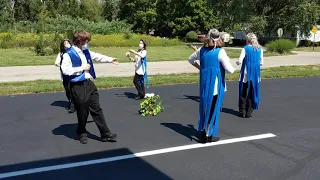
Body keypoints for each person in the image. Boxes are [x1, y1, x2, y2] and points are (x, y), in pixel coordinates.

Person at [60, 30, 119, 144]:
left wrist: (110, 59)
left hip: (89, 83)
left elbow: (96, 56)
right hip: (78, 85)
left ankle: (105, 133)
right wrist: (81, 68)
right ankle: (81, 131)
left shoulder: (85, 51)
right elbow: (65, 70)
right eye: (86, 40)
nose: (87, 42)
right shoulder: (69, 54)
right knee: (82, 111)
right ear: (79, 41)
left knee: (96, 108)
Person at [188, 29, 235, 143]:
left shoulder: (201, 50)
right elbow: (230, 70)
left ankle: (204, 131)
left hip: (204, 84)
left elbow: (190, 60)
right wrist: (234, 66)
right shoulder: (220, 52)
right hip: (215, 85)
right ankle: (209, 134)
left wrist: (200, 68)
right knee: (213, 108)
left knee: (205, 106)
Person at [236, 33, 263, 118]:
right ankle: (249, 111)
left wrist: (237, 62)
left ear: (248, 40)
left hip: (246, 72)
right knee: (252, 91)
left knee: (243, 91)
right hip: (255, 73)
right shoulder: (259, 49)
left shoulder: (245, 48)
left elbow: (240, 60)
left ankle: (242, 110)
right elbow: (261, 62)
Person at [55, 39, 75, 113]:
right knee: (68, 90)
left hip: (74, 75)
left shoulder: (74, 52)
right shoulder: (61, 54)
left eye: (67, 43)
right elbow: (57, 63)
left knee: (74, 90)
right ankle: (70, 101)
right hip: (65, 76)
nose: (66, 44)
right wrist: (64, 66)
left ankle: (73, 105)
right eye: (65, 43)